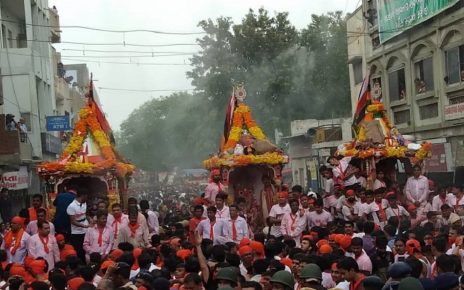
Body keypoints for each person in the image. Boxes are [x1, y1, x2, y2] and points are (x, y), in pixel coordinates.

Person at [66, 187, 89, 262]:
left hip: (86, 230)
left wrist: (90, 221)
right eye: (86, 196)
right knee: (79, 250)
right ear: (83, 195)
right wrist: (84, 226)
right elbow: (73, 221)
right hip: (76, 232)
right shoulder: (71, 206)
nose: (87, 197)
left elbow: (85, 214)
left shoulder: (84, 203)